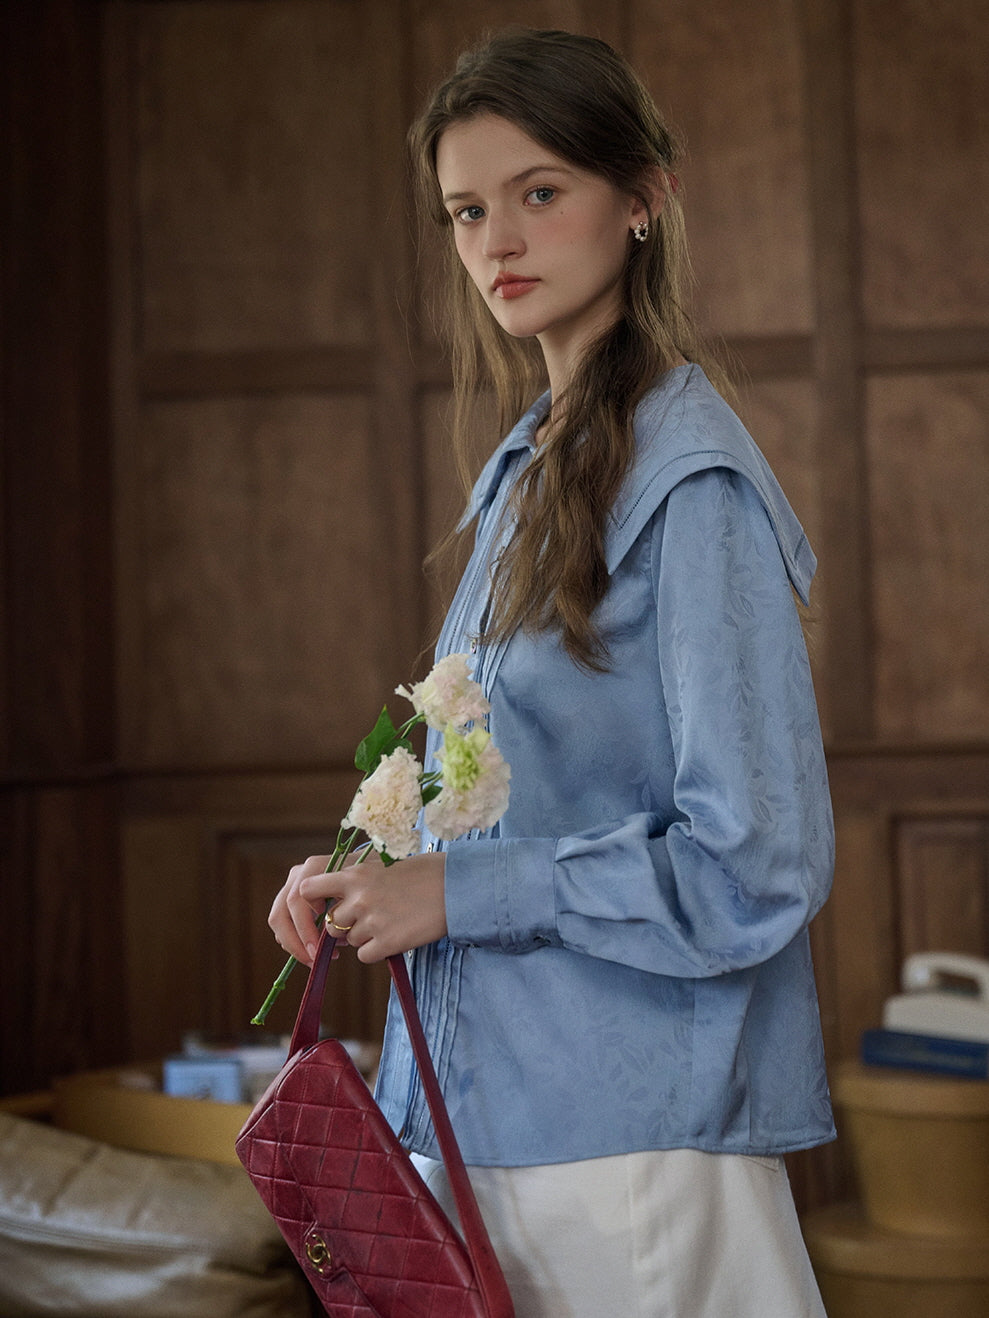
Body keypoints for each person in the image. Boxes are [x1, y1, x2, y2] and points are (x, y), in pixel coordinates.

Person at [269, 27, 835, 1317]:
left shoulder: (691, 489)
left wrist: (457, 897)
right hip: (484, 1129)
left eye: (540, 193)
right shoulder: (528, 470)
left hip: (624, 1154)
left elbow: (760, 861)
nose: (497, 244)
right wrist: (370, 879)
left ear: (643, 200)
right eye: (467, 210)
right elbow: (519, 786)